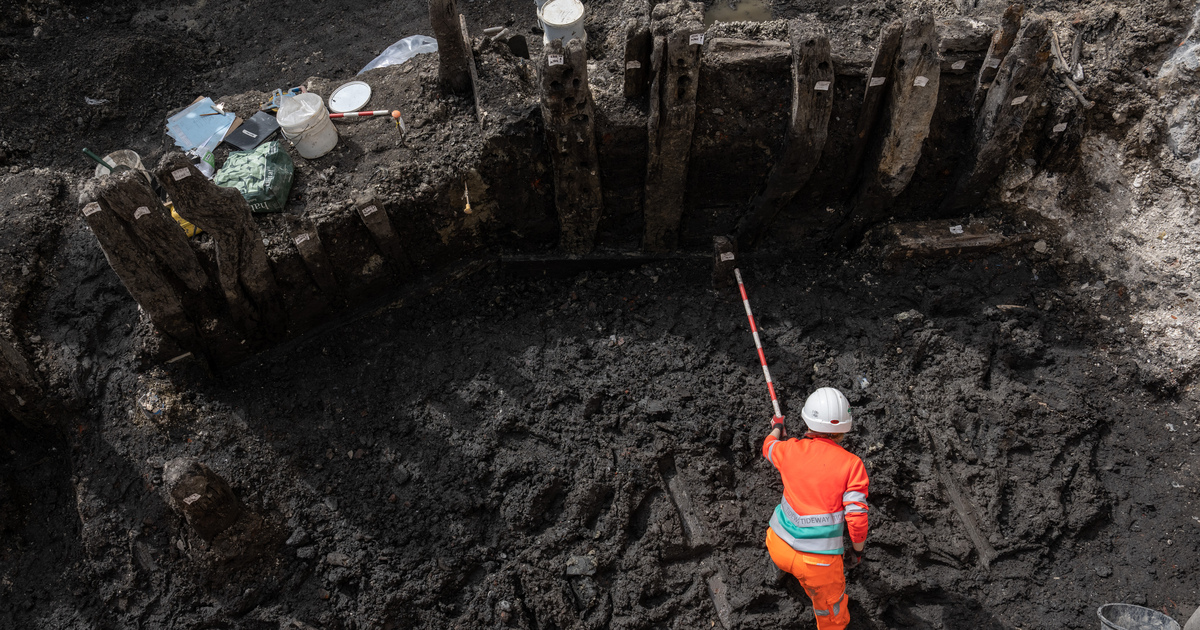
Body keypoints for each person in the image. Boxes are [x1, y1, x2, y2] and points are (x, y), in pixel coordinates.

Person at [762, 387, 869, 630]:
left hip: (777, 545)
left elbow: (768, 446)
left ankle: (779, 571)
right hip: (817, 566)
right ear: (843, 428)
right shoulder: (852, 465)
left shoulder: (789, 449)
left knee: (784, 558)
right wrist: (857, 551)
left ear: (807, 420)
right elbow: (857, 518)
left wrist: (777, 426)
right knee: (833, 614)